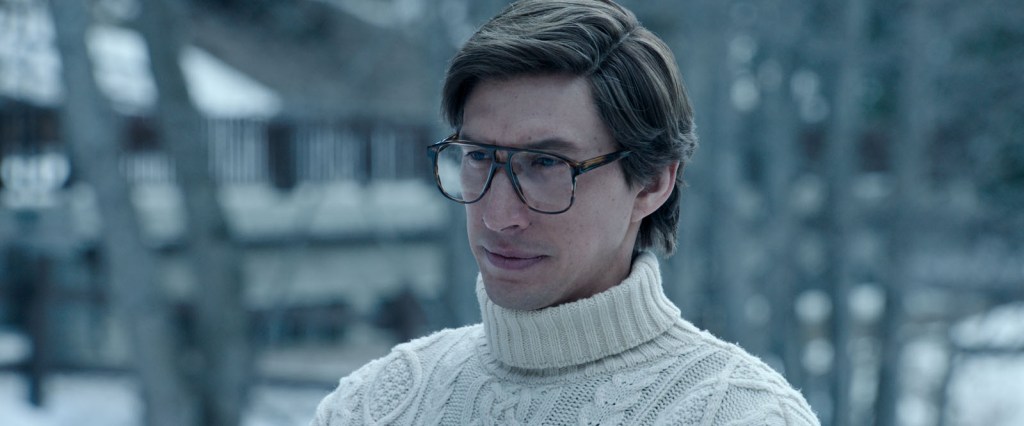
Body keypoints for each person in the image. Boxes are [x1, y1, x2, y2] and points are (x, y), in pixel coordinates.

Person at [311, 0, 819, 424]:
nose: (497, 215)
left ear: (652, 183)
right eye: (479, 156)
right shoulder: (374, 405)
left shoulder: (743, 415)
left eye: (546, 164)